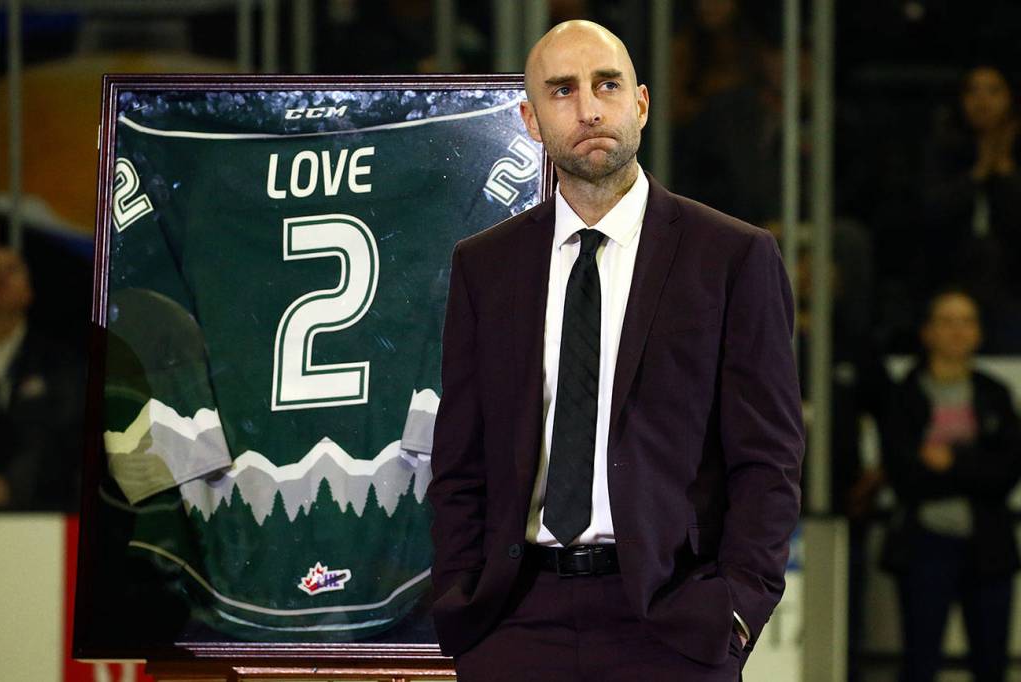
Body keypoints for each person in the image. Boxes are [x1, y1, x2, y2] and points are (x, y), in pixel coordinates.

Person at [426, 20, 803, 681]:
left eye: (607, 85)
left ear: (642, 103)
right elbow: (461, 460)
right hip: (515, 624)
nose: (589, 109)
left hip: (673, 624)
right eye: (562, 91)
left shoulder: (732, 257)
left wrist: (735, 610)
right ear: (531, 121)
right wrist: (464, 599)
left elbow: (768, 458)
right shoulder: (485, 266)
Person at [881, 288, 1021, 682]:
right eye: (947, 321)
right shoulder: (906, 394)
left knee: (991, 662)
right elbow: (903, 474)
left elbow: (1006, 473)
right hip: (925, 543)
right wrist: (976, 467)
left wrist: (952, 462)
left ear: (978, 332)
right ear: (927, 331)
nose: (957, 331)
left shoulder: (994, 394)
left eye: (966, 322)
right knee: (920, 661)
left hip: (989, 543)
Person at [922, 65, 1021, 352]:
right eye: (973, 91)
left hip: (1012, 280)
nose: (982, 100)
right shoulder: (943, 149)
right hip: (948, 274)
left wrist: (1004, 173)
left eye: (993, 91)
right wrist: (977, 174)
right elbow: (930, 214)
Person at [0, 246, 84, 511]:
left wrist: (12, 486)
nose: (0, 278)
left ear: (29, 290)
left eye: (10, 270)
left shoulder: (59, 363)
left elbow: (63, 436)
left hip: (43, 515)